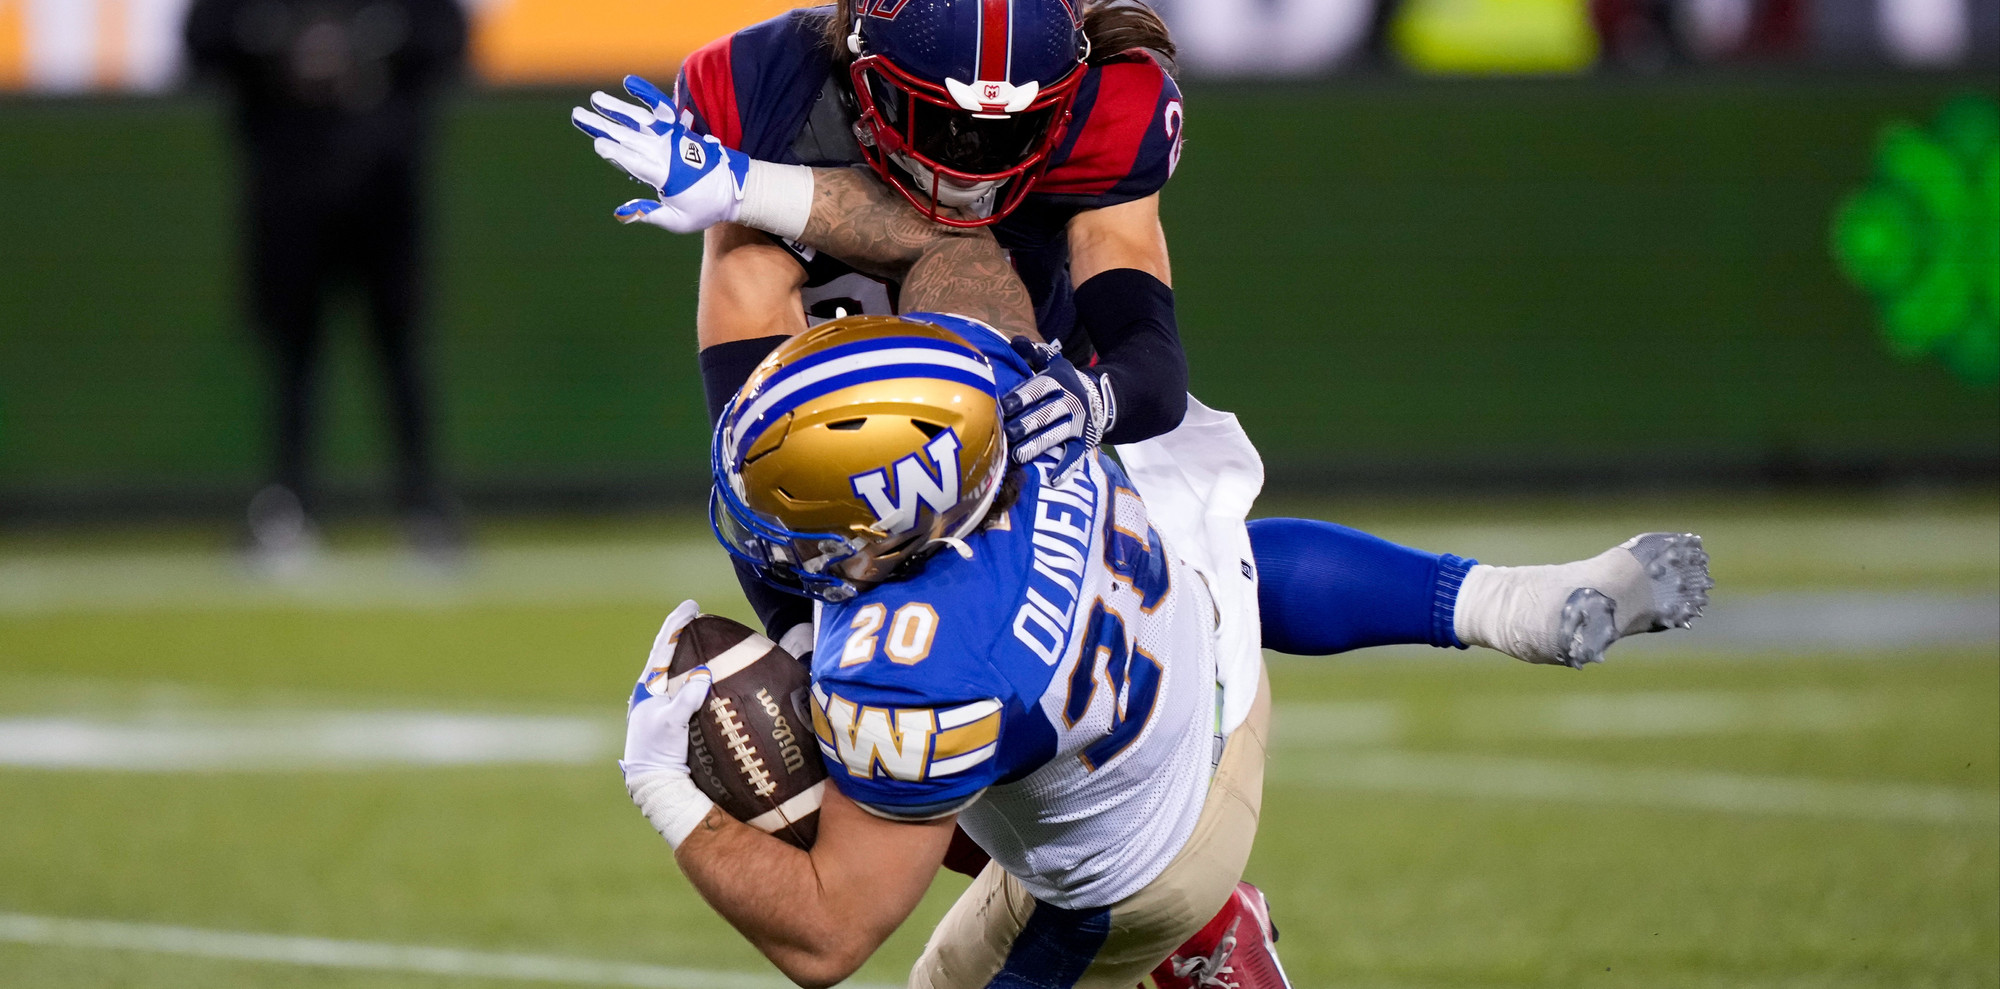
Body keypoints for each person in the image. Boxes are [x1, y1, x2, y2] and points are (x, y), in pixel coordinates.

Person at [616, 252, 1711, 986]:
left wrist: (662, 781)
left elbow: (827, 936)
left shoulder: (908, 664)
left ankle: (1196, 944)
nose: (775, 549)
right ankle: (1497, 602)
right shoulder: (991, 389)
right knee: (1207, 548)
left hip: (1140, 872)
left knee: (922, 932)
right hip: (1213, 679)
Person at [574, 0, 1185, 651]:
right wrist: (802, 643)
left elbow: (1150, 366)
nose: (971, 165)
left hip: (1060, 442)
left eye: (1009, 131)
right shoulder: (766, 89)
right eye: (943, 122)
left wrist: (1096, 403)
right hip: (844, 445)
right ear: (862, 73)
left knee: (1226, 585)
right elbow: (754, 444)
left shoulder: (1111, 105)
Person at [185, 0, 466, 565]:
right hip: (287, 182)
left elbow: (450, 38)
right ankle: (285, 509)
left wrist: (375, 52)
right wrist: (278, 50)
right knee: (292, 355)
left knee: (399, 347)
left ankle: (424, 507)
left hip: (384, 182)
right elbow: (201, 39)